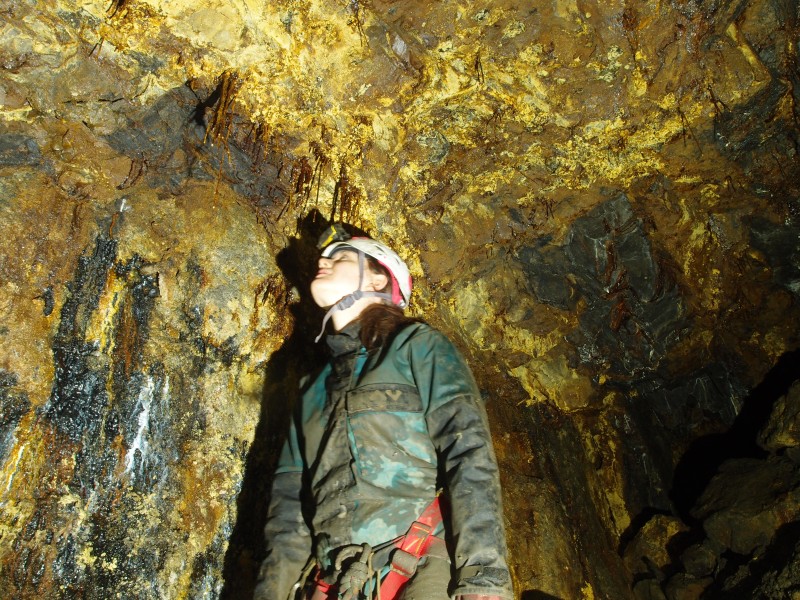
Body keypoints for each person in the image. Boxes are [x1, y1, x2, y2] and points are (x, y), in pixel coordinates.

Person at [254, 224, 513, 600]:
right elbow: (288, 519)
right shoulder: (311, 391)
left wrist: (484, 583)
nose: (323, 262)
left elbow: (468, 455)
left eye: (339, 257)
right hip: (333, 583)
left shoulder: (417, 346)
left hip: (415, 569)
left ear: (378, 279)